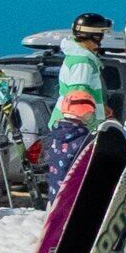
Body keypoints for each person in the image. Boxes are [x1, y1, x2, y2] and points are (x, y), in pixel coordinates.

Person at [42, 13, 109, 193]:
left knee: (63, 173)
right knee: (72, 174)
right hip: (76, 127)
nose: (101, 41)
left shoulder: (76, 57)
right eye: (101, 35)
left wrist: (104, 110)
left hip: (67, 123)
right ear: (93, 36)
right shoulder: (83, 62)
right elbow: (78, 98)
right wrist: (95, 124)